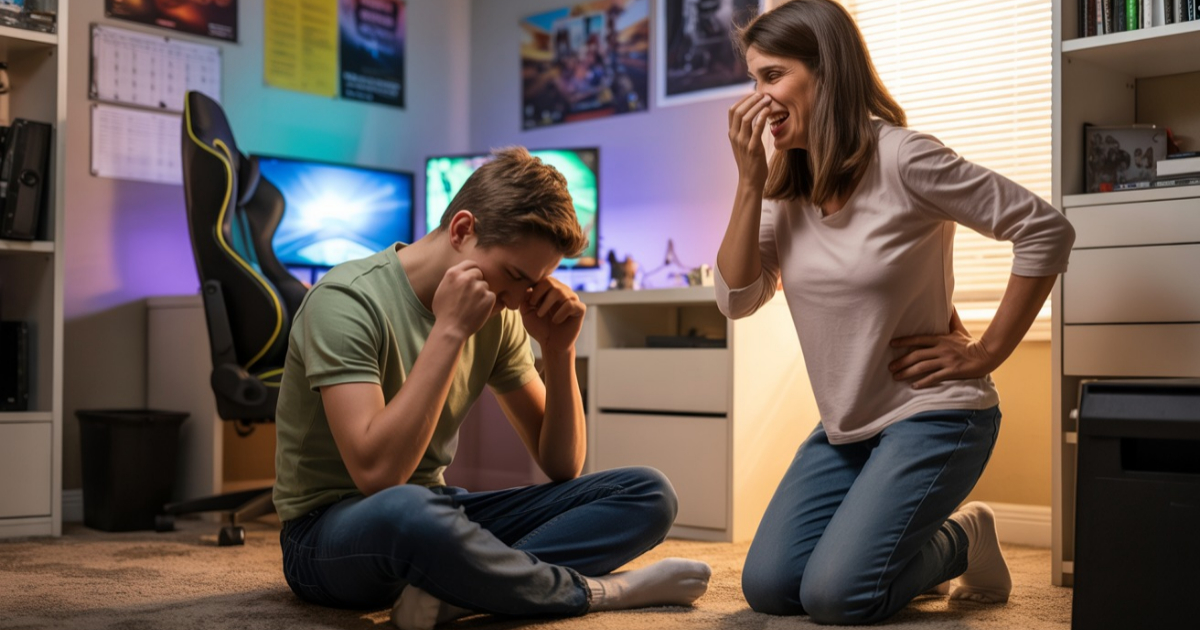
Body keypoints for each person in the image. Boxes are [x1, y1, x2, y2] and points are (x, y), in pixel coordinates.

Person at [716, 0, 1075, 625]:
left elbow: (1044, 229)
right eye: (753, 79)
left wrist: (988, 351)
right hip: (849, 424)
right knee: (771, 587)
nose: (758, 97)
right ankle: (931, 537)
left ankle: (964, 539)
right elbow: (737, 299)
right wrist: (749, 184)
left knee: (836, 596)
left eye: (772, 76)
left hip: (934, 413)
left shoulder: (905, 158)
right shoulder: (786, 184)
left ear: (825, 71)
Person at [273, 147, 711, 630]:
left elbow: (561, 464)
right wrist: (449, 331)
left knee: (647, 492)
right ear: (463, 230)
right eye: (516, 277)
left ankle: (460, 590)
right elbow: (378, 476)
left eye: (537, 283)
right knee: (407, 509)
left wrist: (559, 352)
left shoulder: (499, 315)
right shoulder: (346, 301)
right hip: (328, 535)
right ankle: (591, 592)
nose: (518, 300)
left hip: (436, 512)